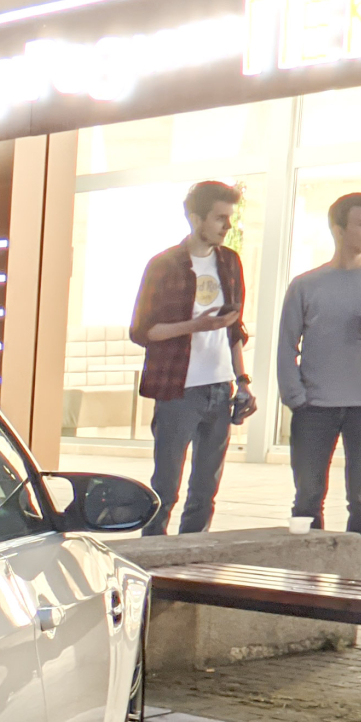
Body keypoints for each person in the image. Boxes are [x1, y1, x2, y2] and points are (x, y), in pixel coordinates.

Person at [275, 192, 361, 576]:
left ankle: (359, 569)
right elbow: (286, 344)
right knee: (307, 494)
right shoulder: (307, 285)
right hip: (315, 406)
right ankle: (309, 567)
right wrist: (296, 398)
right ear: (338, 229)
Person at [129, 179, 253, 535]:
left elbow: (234, 329)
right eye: (219, 218)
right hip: (178, 389)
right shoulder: (164, 265)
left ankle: (192, 564)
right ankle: (152, 561)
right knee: (165, 489)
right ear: (194, 217)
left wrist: (242, 382)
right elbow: (143, 331)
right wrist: (194, 325)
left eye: (230, 218)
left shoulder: (229, 262)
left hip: (220, 386)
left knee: (205, 492)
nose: (227, 226)